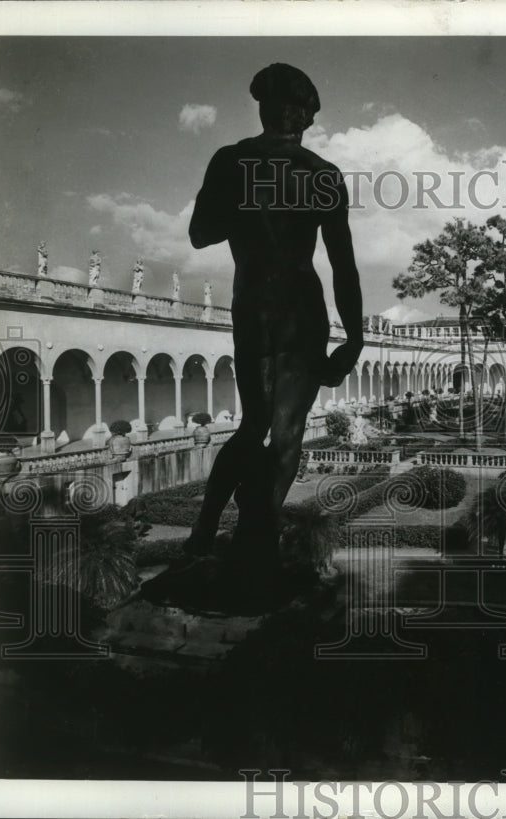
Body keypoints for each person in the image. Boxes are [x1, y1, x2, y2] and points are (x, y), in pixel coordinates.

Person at [184, 63, 363, 567]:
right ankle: (252, 534)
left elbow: (200, 232)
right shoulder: (322, 173)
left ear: (264, 107)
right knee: (287, 432)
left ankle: (208, 527)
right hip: (302, 309)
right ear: (306, 117)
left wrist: (246, 202)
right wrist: (354, 335)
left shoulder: (231, 161)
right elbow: (342, 264)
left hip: (255, 305)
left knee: (254, 424)